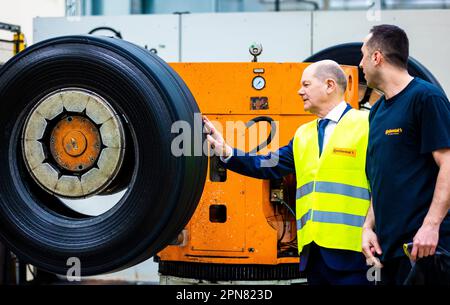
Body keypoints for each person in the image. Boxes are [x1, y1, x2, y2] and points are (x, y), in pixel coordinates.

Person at [204, 60, 371, 285]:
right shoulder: (304, 134)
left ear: (330, 85)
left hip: (356, 254)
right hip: (314, 255)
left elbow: (386, 184)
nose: (299, 91)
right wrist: (226, 152)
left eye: (306, 84)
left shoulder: (367, 124)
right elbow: (268, 163)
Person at [359, 24, 450, 285]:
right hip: (388, 252)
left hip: (425, 250)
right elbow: (381, 179)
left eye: (363, 55)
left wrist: (431, 227)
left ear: (377, 57)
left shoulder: (426, 98)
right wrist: (368, 228)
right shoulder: (376, 113)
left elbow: (448, 163)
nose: (360, 63)